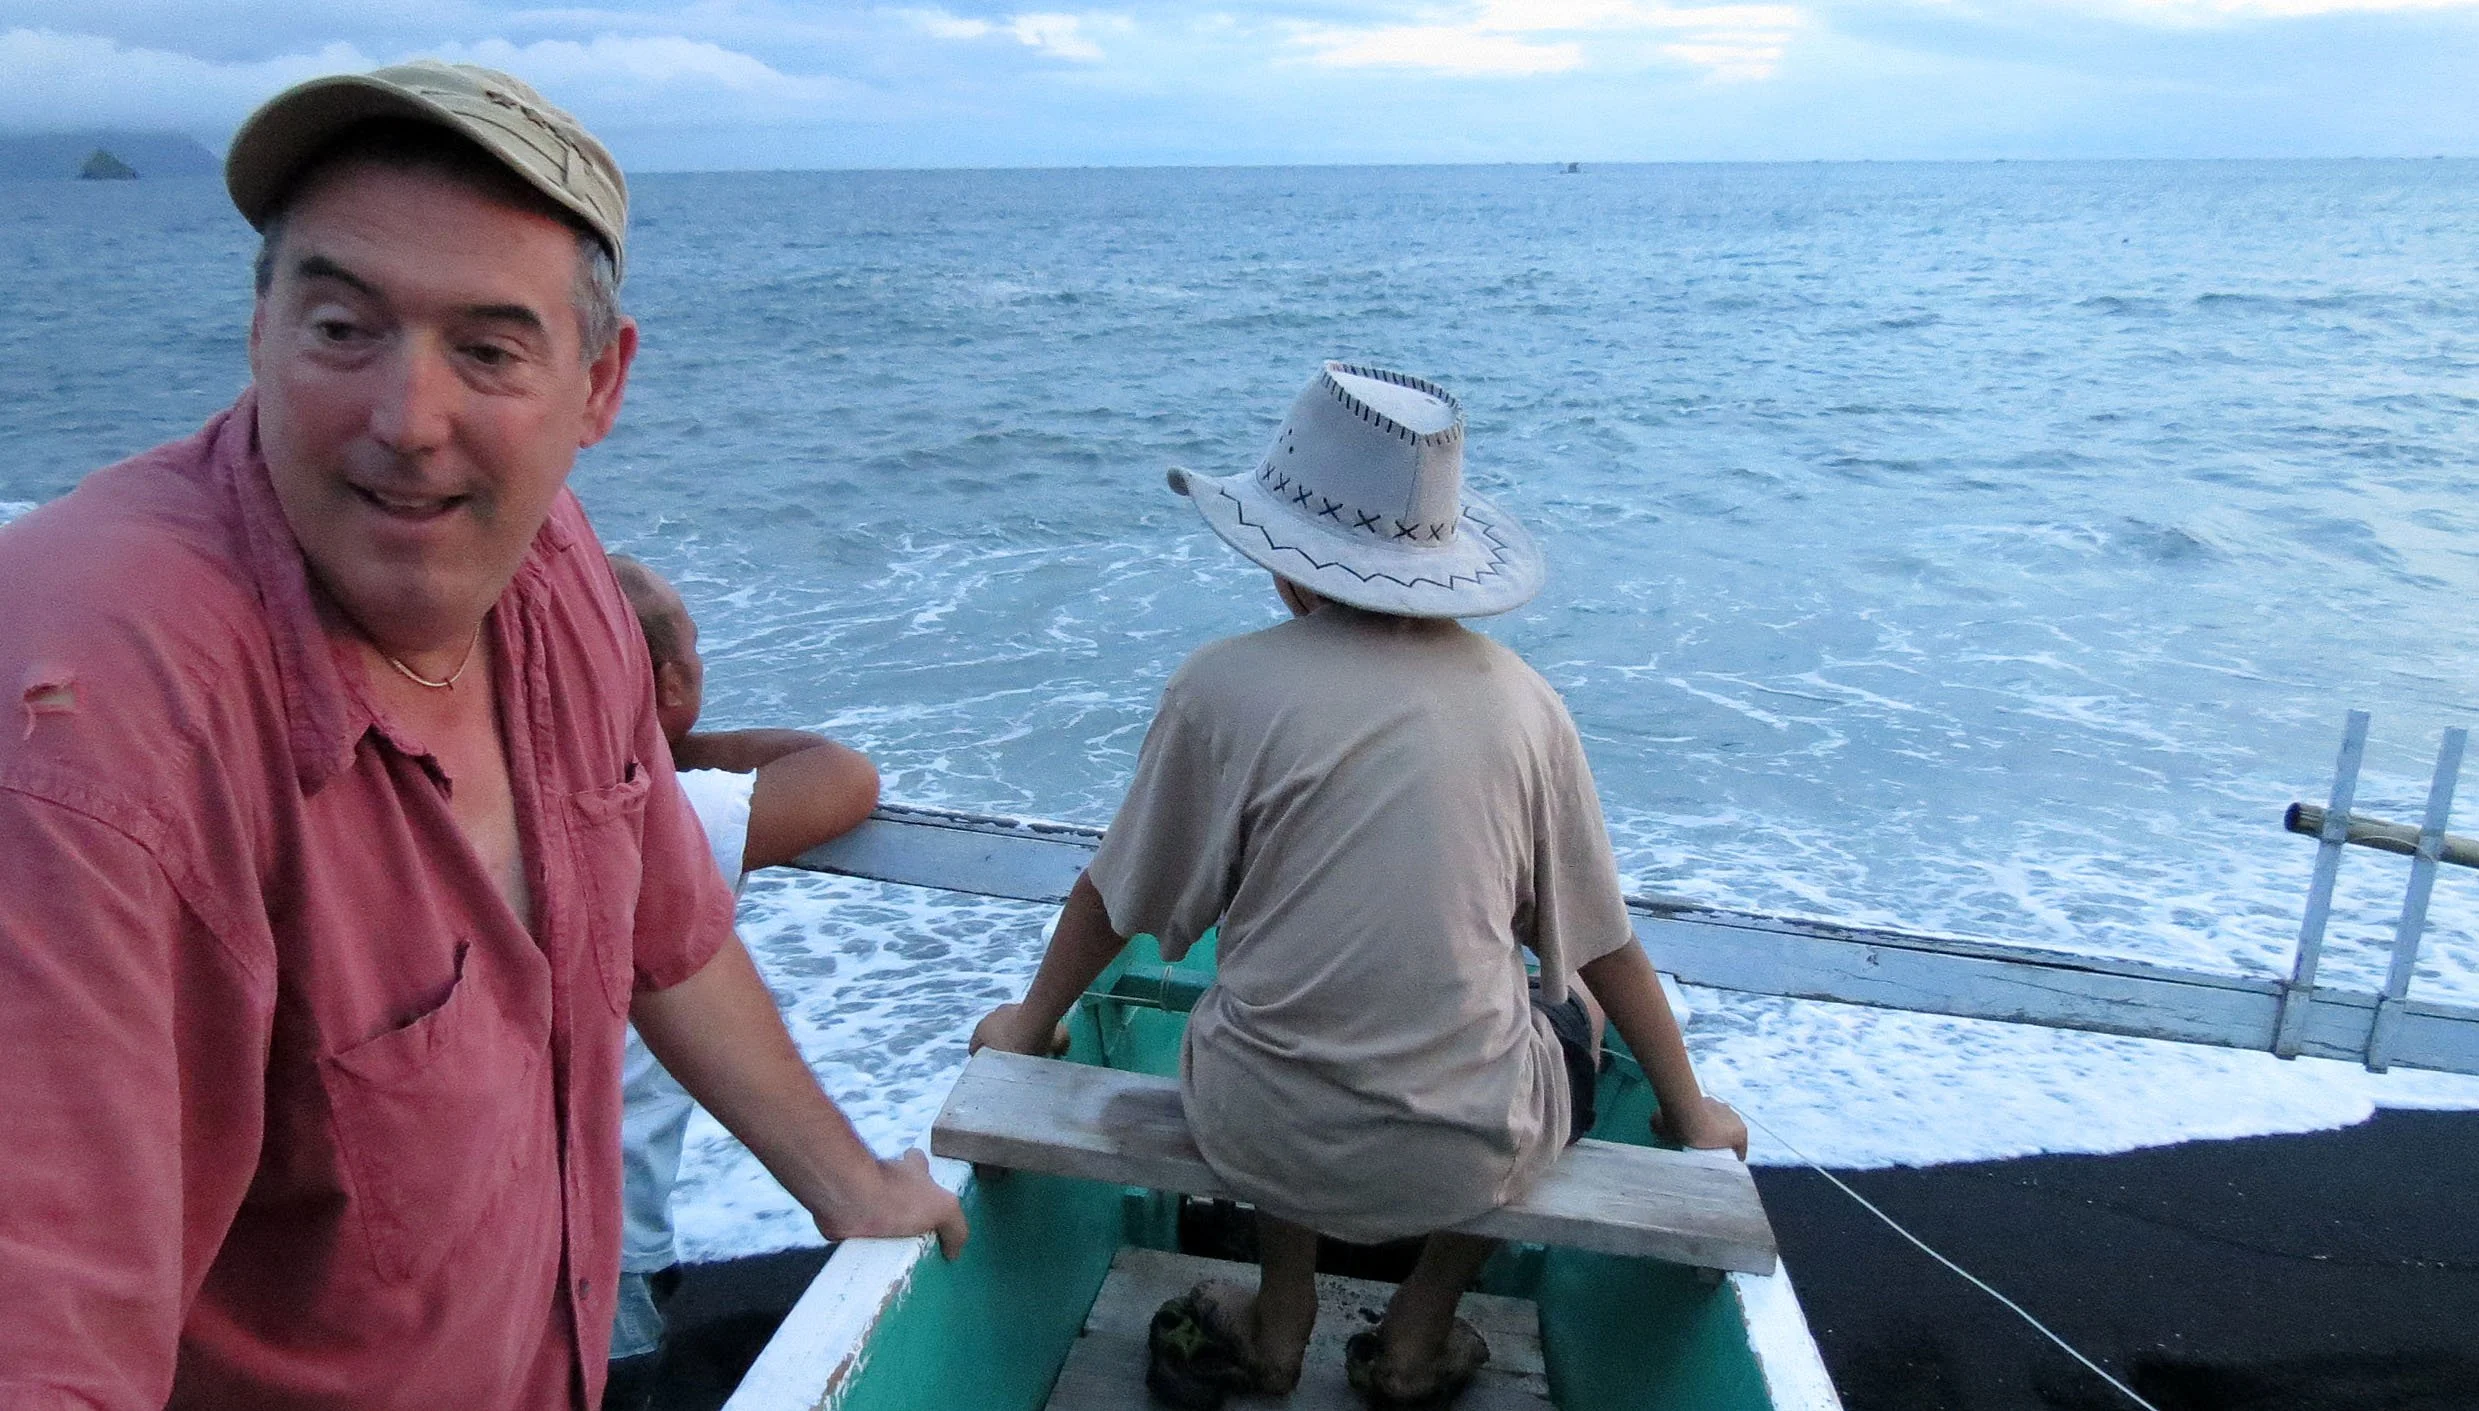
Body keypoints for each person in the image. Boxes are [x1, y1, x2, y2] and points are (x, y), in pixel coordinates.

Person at [0, 62, 959, 1411]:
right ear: (259, 327)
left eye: (491, 349)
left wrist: (851, 1183)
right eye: (344, 328)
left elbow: (662, 928)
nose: (408, 422)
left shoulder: (552, 563)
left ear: (597, 385)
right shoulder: (90, 718)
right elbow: (44, 1322)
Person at [971, 363, 1746, 1409]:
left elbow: (1114, 898)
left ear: (1286, 562)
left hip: (1250, 1125)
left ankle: (1278, 1313)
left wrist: (1028, 1023)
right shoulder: (1524, 705)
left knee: (1276, 977)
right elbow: (1599, 938)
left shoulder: (1220, 685)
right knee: (1567, 1005)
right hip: (1467, 1154)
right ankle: (1418, 1329)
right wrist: (1692, 1112)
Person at [602, 554, 881, 1402]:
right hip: (602, 1246)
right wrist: (668, 741)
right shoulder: (679, 814)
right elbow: (841, 773)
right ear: (674, 680)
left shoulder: (487, 805)